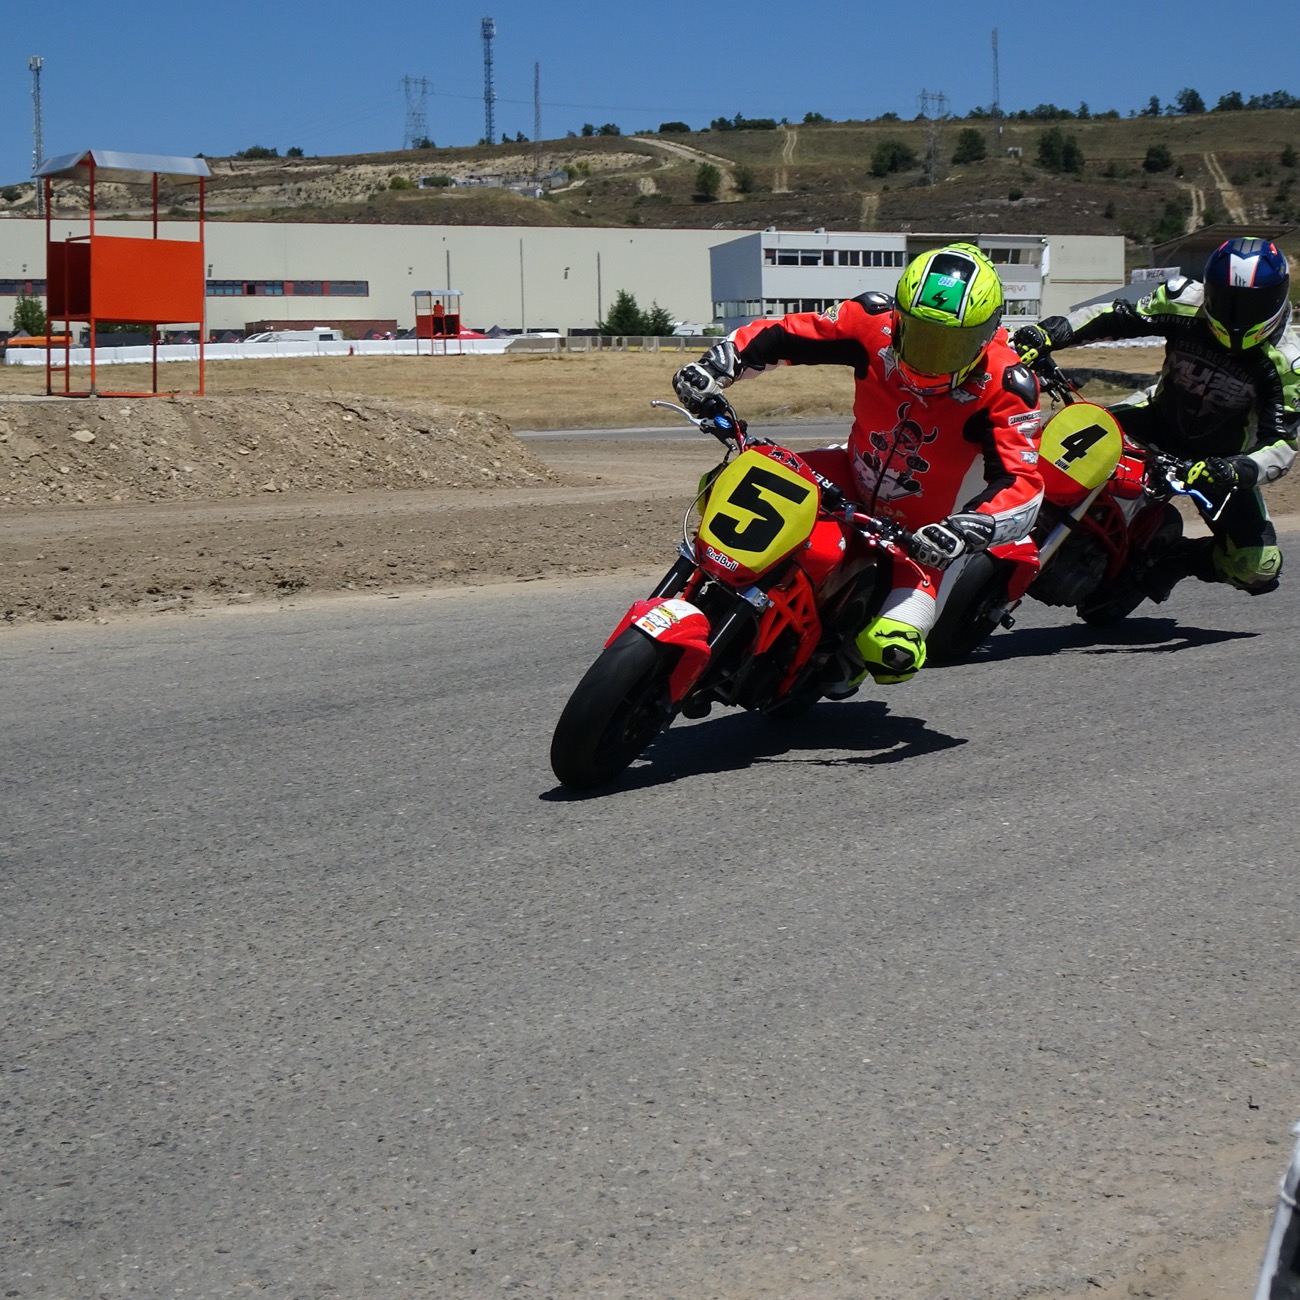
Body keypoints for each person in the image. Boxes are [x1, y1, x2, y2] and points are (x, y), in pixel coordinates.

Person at [672, 242, 1044, 692]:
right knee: (738, 481)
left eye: (950, 345)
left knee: (892, 653)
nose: (929, 356)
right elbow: (783, 334)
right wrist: (718, 365)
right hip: (849, 474)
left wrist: (968, 529)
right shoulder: (871, 321)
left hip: (926, 537)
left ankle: (838, 657)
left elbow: (1021, 481)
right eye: (919, 335)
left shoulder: (1008, 385)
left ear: (986, 336)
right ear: (898, 317)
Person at [1011, 236, 1299, 602]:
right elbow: (1116, 314)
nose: (1236, 314)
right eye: (1226, 300)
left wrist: (1234, 470)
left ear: (1277, 297)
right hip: (1153, 419)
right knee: (1056, 446)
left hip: (1218, 463)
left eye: (1251, 304)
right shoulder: (1185, 301)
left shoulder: (1287, 362)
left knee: (1258, 566)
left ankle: (1176, 559)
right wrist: (1049, 333)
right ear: (1209, 290)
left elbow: (1281, 443)